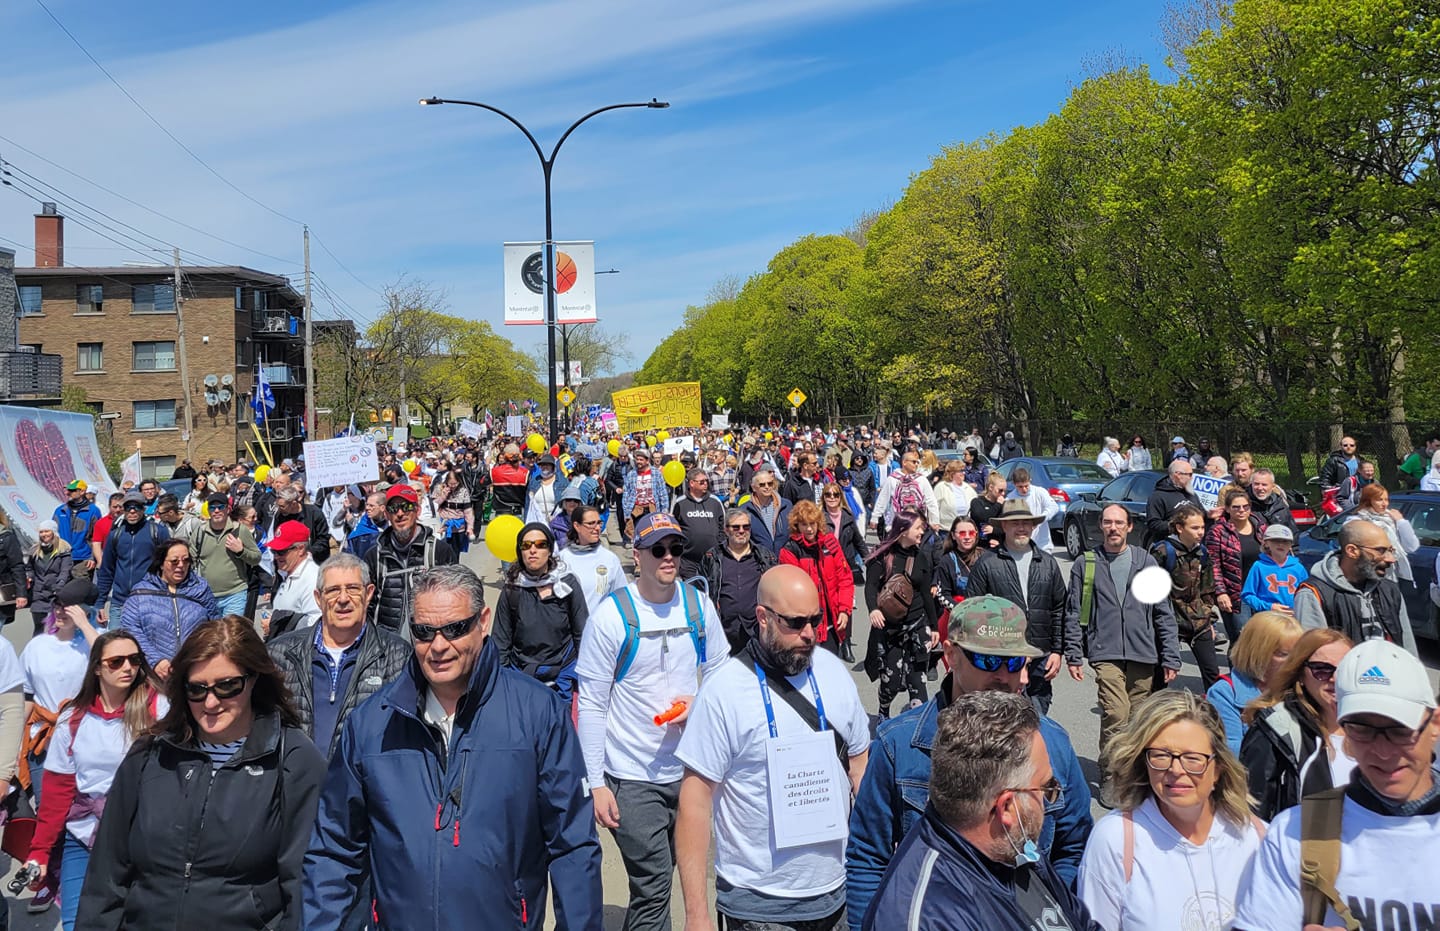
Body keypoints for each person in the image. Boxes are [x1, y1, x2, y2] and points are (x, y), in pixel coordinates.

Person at [305, 564, 602, 929]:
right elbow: (334, 851)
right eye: (424, 632)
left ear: (484, 621)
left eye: (455, 629)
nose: (439, 646)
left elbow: (573, 845)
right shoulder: (369, 724)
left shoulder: (539, 713)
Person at [846, 596, 1093, 926]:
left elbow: (1073, 845)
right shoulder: (899, 745)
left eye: (1015, 661)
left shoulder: (1053, 745)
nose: (1004, 675)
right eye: (988, 661)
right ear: (951, 655)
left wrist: (1048, 909)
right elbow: (867, 857)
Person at [79, 616, 326, 931]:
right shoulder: (149, 755)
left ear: (253, 680)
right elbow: (106, 875)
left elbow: (305, 888)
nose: (211, 702)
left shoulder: (294, 759)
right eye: (197, 689)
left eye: (227, 686)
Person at [675, 565, 871, 931]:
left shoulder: (833, 673)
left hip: (836, 895)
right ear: (763, 617)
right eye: (795, 623)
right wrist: (696, 914)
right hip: (758, 904)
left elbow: (860, 762)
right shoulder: (723, 691)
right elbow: (695, 802)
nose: (809, 634)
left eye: (816, 619)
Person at [575, 513, 728, 931]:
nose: (668, 558)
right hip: (631, 774)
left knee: (684, 871)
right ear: (637, 556)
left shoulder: (698, 606)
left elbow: (719, 669)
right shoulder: (611, 617)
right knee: (654, 883)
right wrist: (596, 783)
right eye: (658, 549)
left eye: (675, 549)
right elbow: (590, 703)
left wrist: (698, 704)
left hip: (689, 771)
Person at [1233, 637, 1439, 931]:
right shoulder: (1294, 832)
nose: (1382, 751)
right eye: (1361, 730)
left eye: (1399, 730)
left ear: (1435, 725)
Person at [860, 691, 1100, 931]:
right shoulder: (925, 919)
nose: (1049, 798)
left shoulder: (1016, 847)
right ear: (1007, 807)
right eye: (1047, 787)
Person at [1077, 690, 1262, 931]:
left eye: (1193, 758)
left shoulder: (1256, 837)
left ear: (1218, 768)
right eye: (1161, 755)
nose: (1176, 769)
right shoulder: (1116, 840)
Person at [23, 631, 161, 931]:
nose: (128, 667)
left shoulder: (158, 710)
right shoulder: (73, 718)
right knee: (78, 923)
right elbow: (57, 792)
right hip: (84, 839)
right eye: (116, 661)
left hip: (140, 840)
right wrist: (39, 851)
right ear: (97, 667)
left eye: (134, 660)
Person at [1064, 504, 1179, 803]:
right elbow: (1074, 611)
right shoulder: (1086, 564)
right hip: (1105, 651)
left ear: (1130, 527)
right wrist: (1074, 654)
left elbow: (1163, 613)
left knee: (1138, 717)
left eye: (1118, 523)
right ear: (1101, 526)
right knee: (1116, 712)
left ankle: (1132, 772)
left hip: (1143, 652)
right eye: (1107, 522)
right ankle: (1112, 773)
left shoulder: (1146, 563)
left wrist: (1170, 655)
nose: (1112, 528)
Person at [266, 552, 408, 762]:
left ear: (369, 593)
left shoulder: (396, 655)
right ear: (318, 598)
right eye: (333, 590)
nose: (343, 599)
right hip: (299, 786)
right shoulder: (280, 654)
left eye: (352, 589)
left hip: (364, 786)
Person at [1238, 628, 1353, 820]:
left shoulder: (1376, 726)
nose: (1335, 678)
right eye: (1321, 669)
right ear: (1300, 673)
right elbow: (1253, 813)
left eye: (1346, 670)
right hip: (1309, 845)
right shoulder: (1276, 729)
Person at [964, 500, 1067, 713]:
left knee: (1037, 718)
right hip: (1001, 661)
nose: (1021, 528)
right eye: (1015, 523)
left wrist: (1057, 651)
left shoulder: (1048, 563)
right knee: (1001, 719)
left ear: (1033, 526)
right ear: (1004, 526)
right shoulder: (987, 563)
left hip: (1041, 655)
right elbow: (972, 612)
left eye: (1026, 523)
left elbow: (1059, 609)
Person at [1292, 518, 1416, 654]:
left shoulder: (1390, 590)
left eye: (1391, 550)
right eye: (1381, 550)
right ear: (1352, 551)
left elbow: (1408, 649)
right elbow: (1314, 657)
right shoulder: (1314, 594)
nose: (1391, 559)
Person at [494, 522, 588, 701]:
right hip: (521, 676)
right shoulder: (512, 590)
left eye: (540, 544)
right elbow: (501, 640)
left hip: (562, 674)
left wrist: (583, 675)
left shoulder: (567, 585)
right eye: (526, 545)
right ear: (520, 551)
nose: (533, 550)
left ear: (550, 549)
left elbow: (582, 632)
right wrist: (503, 682)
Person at [865, 509, 938, 719]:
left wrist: (933, 627)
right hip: (891, 628)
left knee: (918, 680)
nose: (922, 532)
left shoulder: (921, 557)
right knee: (892, 682)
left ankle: (916, 726)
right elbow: (870, 587)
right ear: (903, 530)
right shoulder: (883, 556)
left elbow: (925, 595)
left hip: (918, 625)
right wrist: (873, 609)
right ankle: (883, 712)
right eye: (918, 528)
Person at [117, 540, 220, 677]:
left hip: (195, 669)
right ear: (161, 564)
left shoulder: (201, 589)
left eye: (186, 560)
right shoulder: (141, 592)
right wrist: (156, 661)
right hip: (154, 673)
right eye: (174, 561)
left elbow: (216, 624)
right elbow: (130, 628)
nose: (181, 566)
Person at [363, 484, 457, 634]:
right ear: (387, 514)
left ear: (417, 510)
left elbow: (454, 600)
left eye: (406, 506)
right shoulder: (374, 555)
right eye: (393, 508)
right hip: (387, 645)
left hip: (429, 641)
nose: (400, 513)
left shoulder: (439, 551)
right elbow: (367, 604)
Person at [1205, 609, 1302, 754]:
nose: (1293, 662)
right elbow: (1231, 755)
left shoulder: (1302, 687)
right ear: (1257, 653)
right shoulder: (1224, 693)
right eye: (1283, 654)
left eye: (1298, 654)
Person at [1150, 502, 1222, 692]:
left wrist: (1208, 618)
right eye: (1195, 527)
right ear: (1180, 528)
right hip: (1169, 622)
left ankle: (1218, 713)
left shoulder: (1202, 552)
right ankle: (1155, 713)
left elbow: (1207, 589)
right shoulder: (1163, 552)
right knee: (1161, 675)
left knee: (1212, 673)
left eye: (1202, 527)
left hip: (1198, 622)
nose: (1200, 532)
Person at [777, 500, 855, 659]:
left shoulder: (831, 543)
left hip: (832, 620)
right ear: (797, 526)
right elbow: (791, 592)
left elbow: (845, 579)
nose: (809, 528)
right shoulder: (790, 551)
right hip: (806, 624)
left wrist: (844, 610)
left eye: (812, 523)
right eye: (804, 524)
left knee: (829, 666)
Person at [700, 507, 778, 655]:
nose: (741, 531)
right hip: (723, 632)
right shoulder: (712, 556)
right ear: (726, 530)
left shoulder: (765, 556)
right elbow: (699, 591)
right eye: (736, 527)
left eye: (746, 527)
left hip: (756, 631)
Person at [1204, 485, 1267, 641]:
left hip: (1261, 591)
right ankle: (1237, 666)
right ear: (1227, 509)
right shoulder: (1218, 531)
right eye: (1236, 507)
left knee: (1263, 637)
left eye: (1245, 507)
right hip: (1235, 593)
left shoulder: (1260, 526)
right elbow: (1213, 565)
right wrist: (1221, 593)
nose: (1241, 510)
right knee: (1241, 638)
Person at [190, 493, 260, 619]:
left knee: (231, 635)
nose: (216, 511)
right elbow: (190, 561)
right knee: (214, 637)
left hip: (235, 593)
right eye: (212, 508)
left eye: (220, 507)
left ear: (227, 509)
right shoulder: (200, 532)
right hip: (208, 595)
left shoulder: (239, 530)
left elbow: (256, 558)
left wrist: (241, 551)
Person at [1348, 481, 1422, 587]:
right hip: (1369, 576)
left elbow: (1412, 547)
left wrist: (1401, 522)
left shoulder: (1390, 519)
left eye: (1386, 499)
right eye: (1379, 499)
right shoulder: (1357, 521)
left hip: (1394, 576)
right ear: (1368, 501)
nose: (1384, 504)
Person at [557, 504, 626, 617]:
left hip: (601, 629)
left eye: (599, 523)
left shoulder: (610, 558)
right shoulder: (563, 558)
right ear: (577, 526)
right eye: (590, 524)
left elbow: (621, 595)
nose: (597, 528)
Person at [265, 522, 322, 638]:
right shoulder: (287, 572)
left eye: (281, 551)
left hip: (295, 651)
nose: (276, 556)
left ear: (300, 549)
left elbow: (316, 623)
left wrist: (275, 623)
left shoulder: (312, 578)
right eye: (273, 551)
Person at [1239, 524, 1307, 615]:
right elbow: (1247, 595)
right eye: (1276, 541)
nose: (1281, 544)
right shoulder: (1259, 566)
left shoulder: (1298, 568)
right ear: (1266, 543)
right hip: (1267, 618)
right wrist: (1269, 607)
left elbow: (1307, 594)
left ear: (1291, 545)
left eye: (1285, 541)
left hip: (1294, 617)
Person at [670, 468, 725, 580]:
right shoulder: (680, 503)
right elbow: (673, 529)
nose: (705, 484)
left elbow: (723, 525)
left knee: (711, 592)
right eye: (702, 482)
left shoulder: (715, 501)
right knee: (693, 591)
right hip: (688, 559)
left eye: (706, 481)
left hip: (712, 558)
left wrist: (720, 544)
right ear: (691, 483)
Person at [871, 448, 940, 534]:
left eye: (917, 462)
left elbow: (931, 501)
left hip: (919, 526)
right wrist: (875, 517)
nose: (916, 464)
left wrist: (935, 521)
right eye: (913, 462)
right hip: (898, 525)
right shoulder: (893, 479)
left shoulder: (922, 480)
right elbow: (882, 499)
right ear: (904, 462)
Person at [26, 520, 72, 636]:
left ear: (53, 532)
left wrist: (59, 586)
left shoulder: (63, 550)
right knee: (38, 627)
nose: (44, 534)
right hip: (39, 593)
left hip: (55, 593)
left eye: (47, 531)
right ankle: (35, 651)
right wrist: (29, 577)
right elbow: (29, 568)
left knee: (55, 626)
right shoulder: (35, 550)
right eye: (41, 532)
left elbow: (65, 571)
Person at [1143, 458, 1199, 547]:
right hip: (1169, 548)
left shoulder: (1191, 494)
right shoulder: (1158, 496)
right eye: (1189, 474)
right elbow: (1153, 524)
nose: (1191, 478)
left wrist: (1210, 515)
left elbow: (1201, 514)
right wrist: (1177, 525)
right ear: (1178, 475)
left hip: (1193, 547)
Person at [741, 467, 793, 557]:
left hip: (784, 559)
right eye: (762, 485)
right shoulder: (745, 509)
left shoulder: (786, 505)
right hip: (759, 560)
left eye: (770, 484)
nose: (767, 487)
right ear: (753, 487)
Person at [52, 481, 100, 577]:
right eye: (67, 490)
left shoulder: (93, 511)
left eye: (72, 490)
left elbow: (97, 537)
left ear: (82, 492)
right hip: (62, 557)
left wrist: (93, 557)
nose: (67, 493)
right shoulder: (60, 510)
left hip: (84, 558)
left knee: (80, 589)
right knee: (62, 589)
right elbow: (53, 534)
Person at [621, 448, 669, 544]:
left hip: (652, 509)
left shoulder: (656, 473)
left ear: (647, 461)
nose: (638, 462)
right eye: (637, 459)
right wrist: (626, 512)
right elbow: (626, 494)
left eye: (641, 459)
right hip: (637, 510)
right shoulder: (631, 474)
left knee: (653, 536)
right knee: (639, 537)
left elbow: (662, 492)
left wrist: (664, 510)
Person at [432, 468, 474, 555]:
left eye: (455, 483)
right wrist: (443, 496)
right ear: (446, 481)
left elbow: (468, 511)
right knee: (443, 554)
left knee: (455, 553)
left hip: (459, 527)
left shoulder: (463, 491)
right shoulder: (439, 488)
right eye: (451, 484)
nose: (453, 486)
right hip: (444, 526)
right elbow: (434, 505)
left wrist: (470, 527)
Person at [1246, 468, 1297, 535]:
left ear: (1273, 486)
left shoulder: (1280, 505)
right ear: (1251, 484)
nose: (1260, 488)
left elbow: (1293, 532)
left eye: (1264, 485)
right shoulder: (1244, 504)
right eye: (1256, 484)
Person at [489, 442, 531, 521]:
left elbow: (481, 483)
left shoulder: (494, 472)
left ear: (505, 456)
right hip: (518, 512)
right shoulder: (525, 473)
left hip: (500, 512)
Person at [526, 453, 568, 525]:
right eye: (542, 465)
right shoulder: (534, 481)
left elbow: (566, 504)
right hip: (537, 522)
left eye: (547, 465)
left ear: (553, 467)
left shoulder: (562, 482)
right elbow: (528, 504)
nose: (545, 467)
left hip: (556, 523)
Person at [933, 460, 976, 531]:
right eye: (961, 471)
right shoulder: (941, 487)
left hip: (964, 531)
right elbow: (934, 507)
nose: (964, 473)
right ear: (952, 473)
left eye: (964, 470)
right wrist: (934, 523)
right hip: (946, 530)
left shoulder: (968, 488)